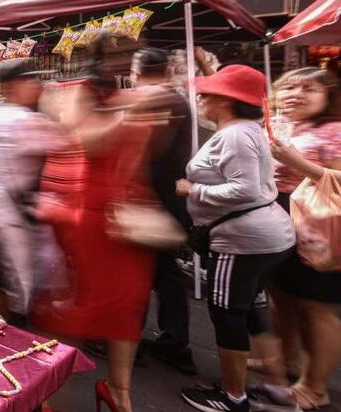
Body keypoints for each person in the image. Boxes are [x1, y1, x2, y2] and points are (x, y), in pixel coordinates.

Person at [32, 33, 157, 412]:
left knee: (126, 306)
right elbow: (88, 140)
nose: (128, 58)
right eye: (122, 50)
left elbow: (139, 156)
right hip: (87, 214)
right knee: (79, 309)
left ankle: (120, 392)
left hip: (121, 213)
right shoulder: (80, 91)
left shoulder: (127, 97)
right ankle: (48, 393)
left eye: (131, 51)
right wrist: (129, 116)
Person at [176, 65, 295, 412]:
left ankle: (233, 397)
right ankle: (277, 388)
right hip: (260, 237)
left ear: (226, 101)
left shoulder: (235, 136)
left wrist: (193, 190)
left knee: (227, 314)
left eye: (206, 94)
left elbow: (245, 189)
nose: (200, 99)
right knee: (253, 312)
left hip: (241, 241)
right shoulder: (245, 130)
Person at [266, 68, 341, 410]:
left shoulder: (334, 130)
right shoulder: (282, 126)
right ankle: (288, 360)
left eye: (309, 89)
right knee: (282, 295)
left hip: (319, 223)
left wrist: (295, 161)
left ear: (328, 96)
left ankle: (315, 386)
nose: (296, 94)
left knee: (317, 306)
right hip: (282, 218)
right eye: (289, 88)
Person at [0, 59, 63, 324]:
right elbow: (65, 142)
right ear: (13, 85)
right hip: (14, 222)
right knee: (19, 291)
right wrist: (54, 106)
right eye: (31, 80)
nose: (36, 86)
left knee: (2, 280)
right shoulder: (24, 120)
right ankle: (12, 335)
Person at [130, 48, 197, 374]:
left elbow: (148, 149)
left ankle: (134, 338)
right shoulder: (174, 99)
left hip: (154, 198)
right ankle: (173, 341)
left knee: (144, 271)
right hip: (166, 197)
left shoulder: (159, 100)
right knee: (163, 272)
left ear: (136, 72)